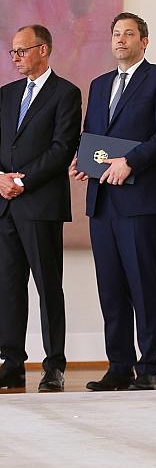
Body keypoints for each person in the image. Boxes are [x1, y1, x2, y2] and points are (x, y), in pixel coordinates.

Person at [69, 12, 156, 391]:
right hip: (103, 200)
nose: (120, 39)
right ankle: (118, 367)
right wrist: (83, 162)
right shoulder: (100, 84)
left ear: (144, 41)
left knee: (143, 285)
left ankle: (148, 368)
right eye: (116, 33)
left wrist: (130, 161)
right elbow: (92, 133)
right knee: (111, 288)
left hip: (142, 199)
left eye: (129, 34)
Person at [0, 25, 81, 392]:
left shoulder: (66, 93)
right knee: (8, 287)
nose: (15, 57)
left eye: (22, 50)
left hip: (41, 205)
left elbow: (62, 149)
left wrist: (21, 181)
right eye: (13, 51)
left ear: (43, 49)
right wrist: (1, 180)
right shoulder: (6, 94)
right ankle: (12, 364)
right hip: (5, 206)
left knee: (48, 287)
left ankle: (54, 366)